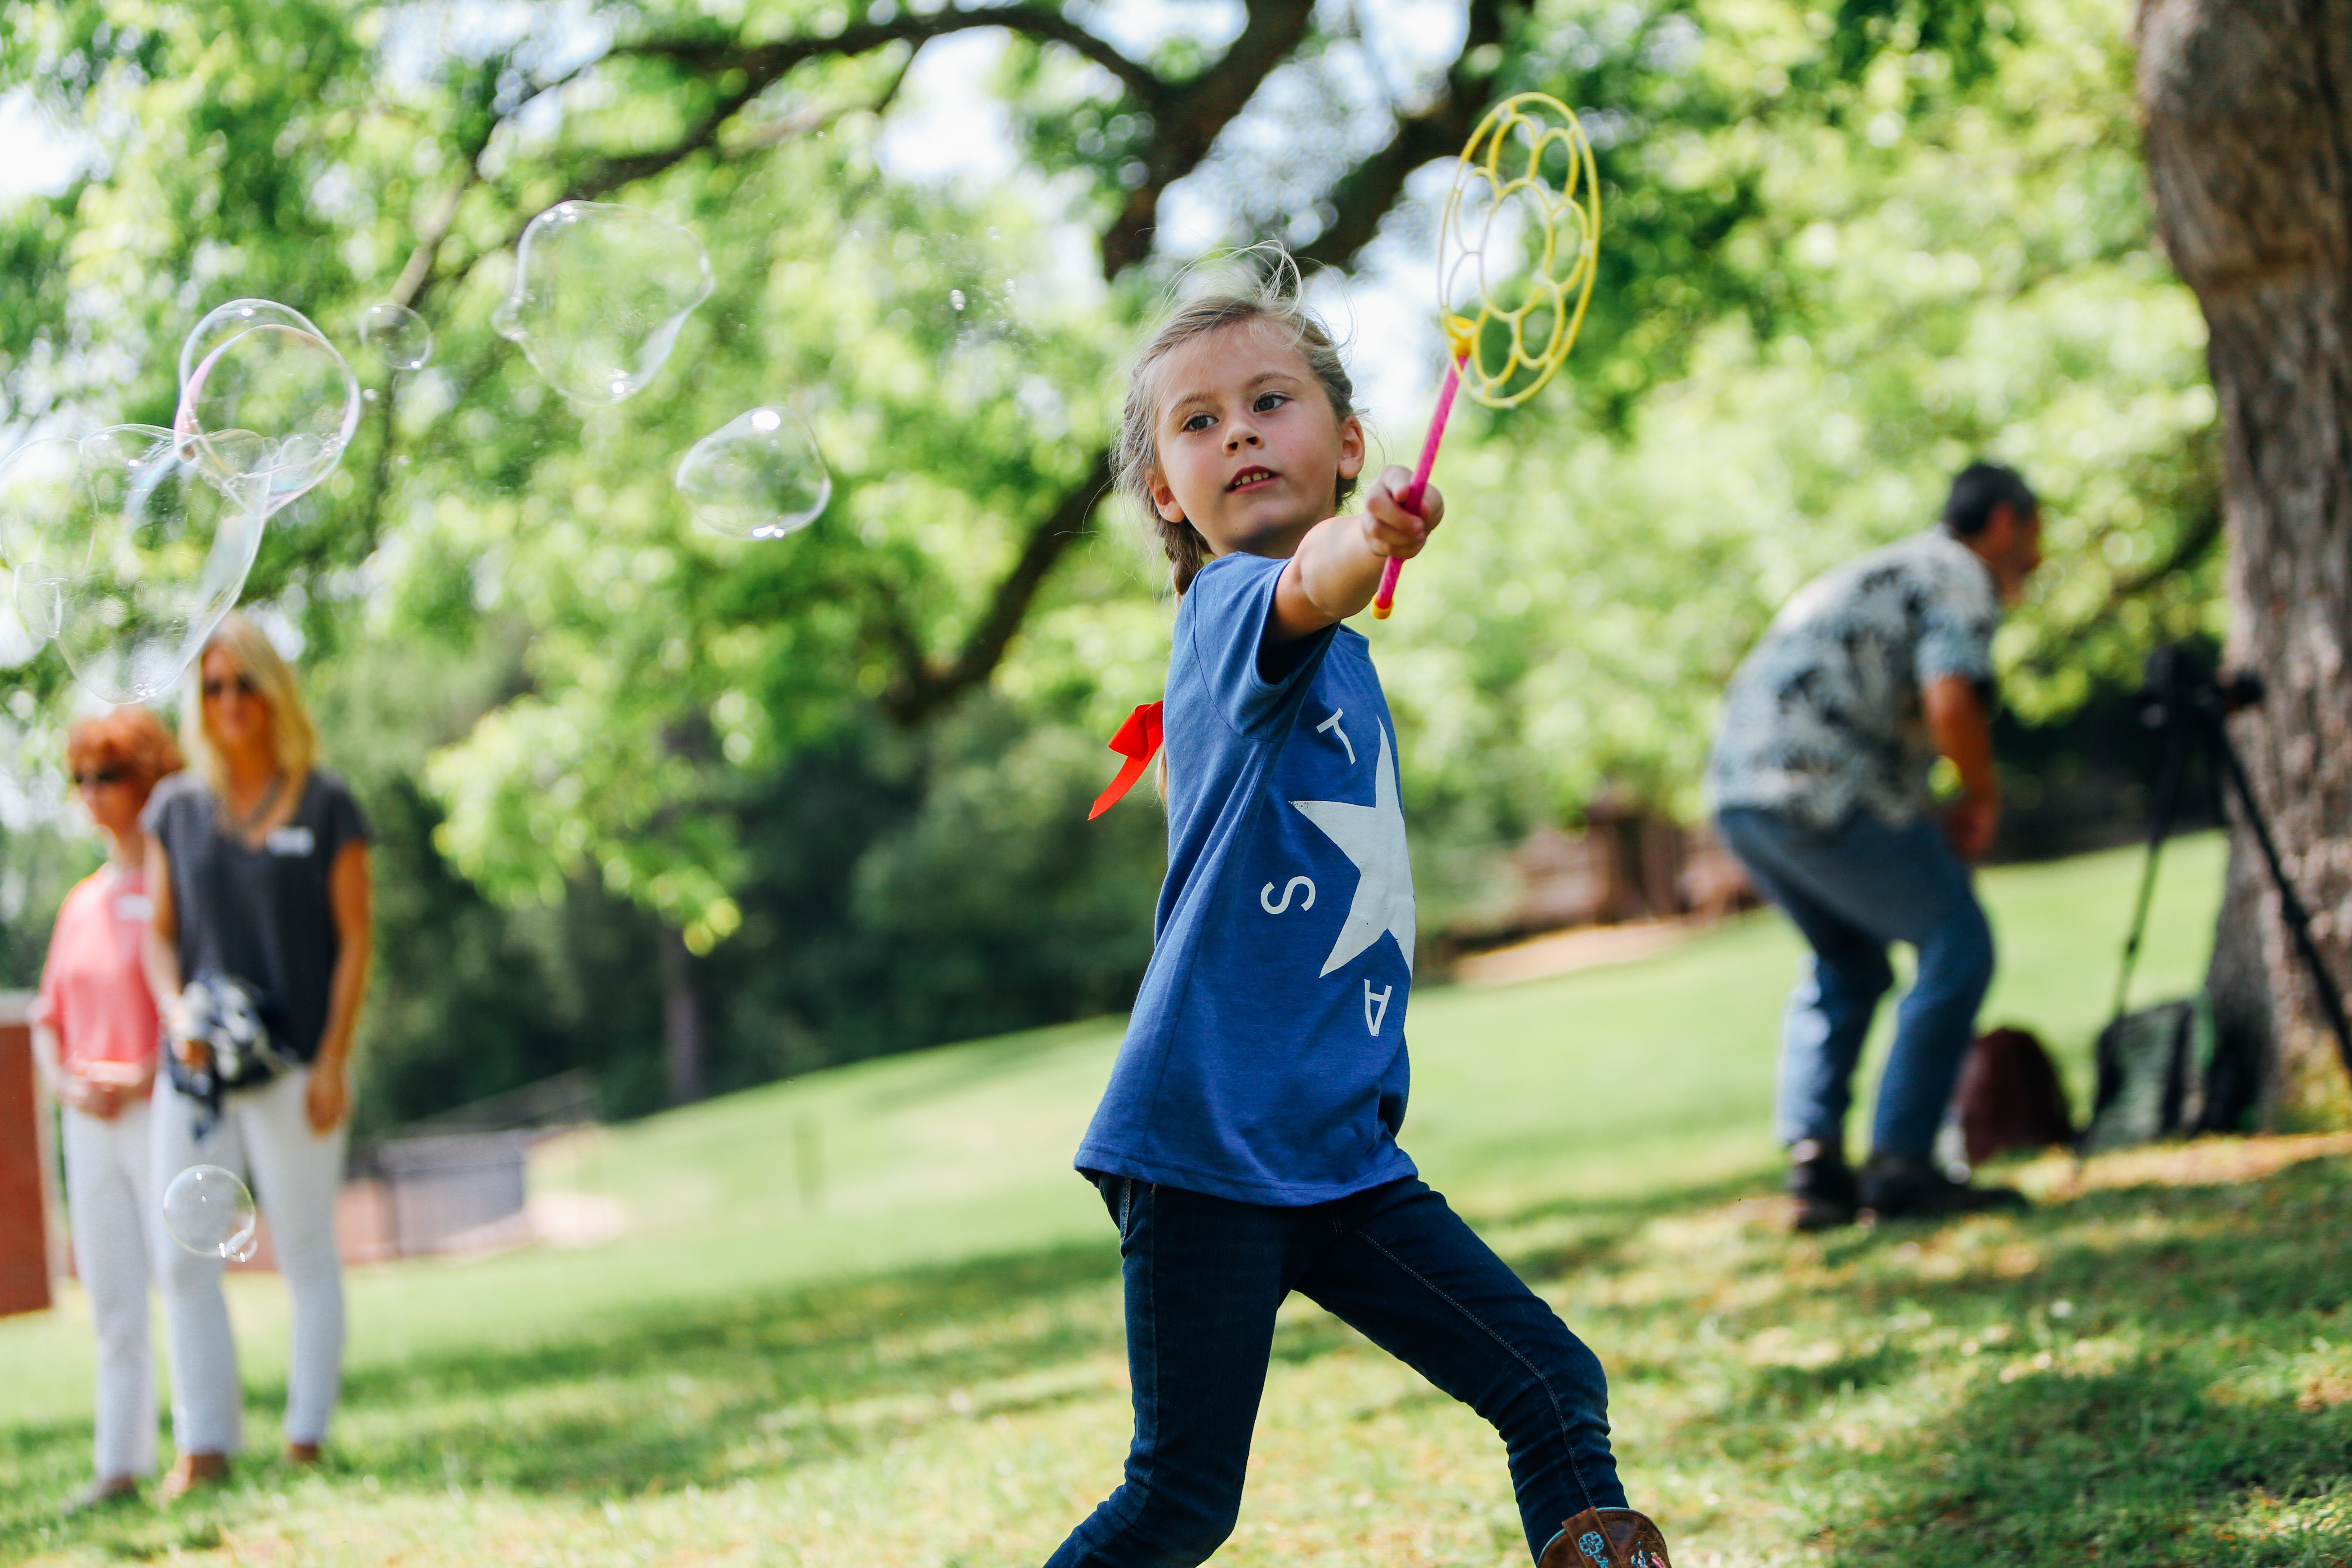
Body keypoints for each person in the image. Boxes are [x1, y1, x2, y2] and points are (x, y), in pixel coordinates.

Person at [1054, 262, 1673, 1568]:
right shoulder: (1231, 611)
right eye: (1199, 422)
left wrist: (1357, 552)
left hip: (1336, 1154)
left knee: (1548, 1380)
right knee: (1180, 1499)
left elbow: (1330, 592)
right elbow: (1308, 581)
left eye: (1269, 403)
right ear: (1168, 493)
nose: (1237, 435)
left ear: (1346, 445)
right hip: (1207, 1147)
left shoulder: (1338, 647)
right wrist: (1365, 539)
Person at [1706, 462, 2045, 1230]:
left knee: (1848, 962)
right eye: (2034, 534)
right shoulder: (1961, 575)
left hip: (1739, 792)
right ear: (2002, 524)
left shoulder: (1892, 566)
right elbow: (1950, 697)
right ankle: (1903, 1164)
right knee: (1958, 942)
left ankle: (1818, 1170)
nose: (2037, 555)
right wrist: (1981, 796)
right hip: (1820, 791)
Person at [143, 612, 372, 1498]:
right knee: (184, 1259)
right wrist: (174, 1013)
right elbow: (161, 937)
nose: (230, 700)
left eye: (245, 682)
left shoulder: (327, 802)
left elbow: (355, 939)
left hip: (293, 1067)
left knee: (308, 1247)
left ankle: (307, 1437)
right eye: (213, 686)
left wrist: (333, 1060)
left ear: (274, 691)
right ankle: (204, 1445)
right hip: (198, 1070)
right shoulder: (176, 808)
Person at [30, 708, 184, 1509]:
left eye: (109, 777)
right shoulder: (80, 903)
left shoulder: (175, 888)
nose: (92, 795)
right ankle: (118, 1467)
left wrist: (145, 1073)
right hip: (87, 1124)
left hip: (159, 1112)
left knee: (181, 1282)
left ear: (148, 780)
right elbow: (49, 1022)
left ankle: (200, 1450)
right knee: (113, 1296)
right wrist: (66, 1086)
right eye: (82, 779)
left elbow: (191, 1004)